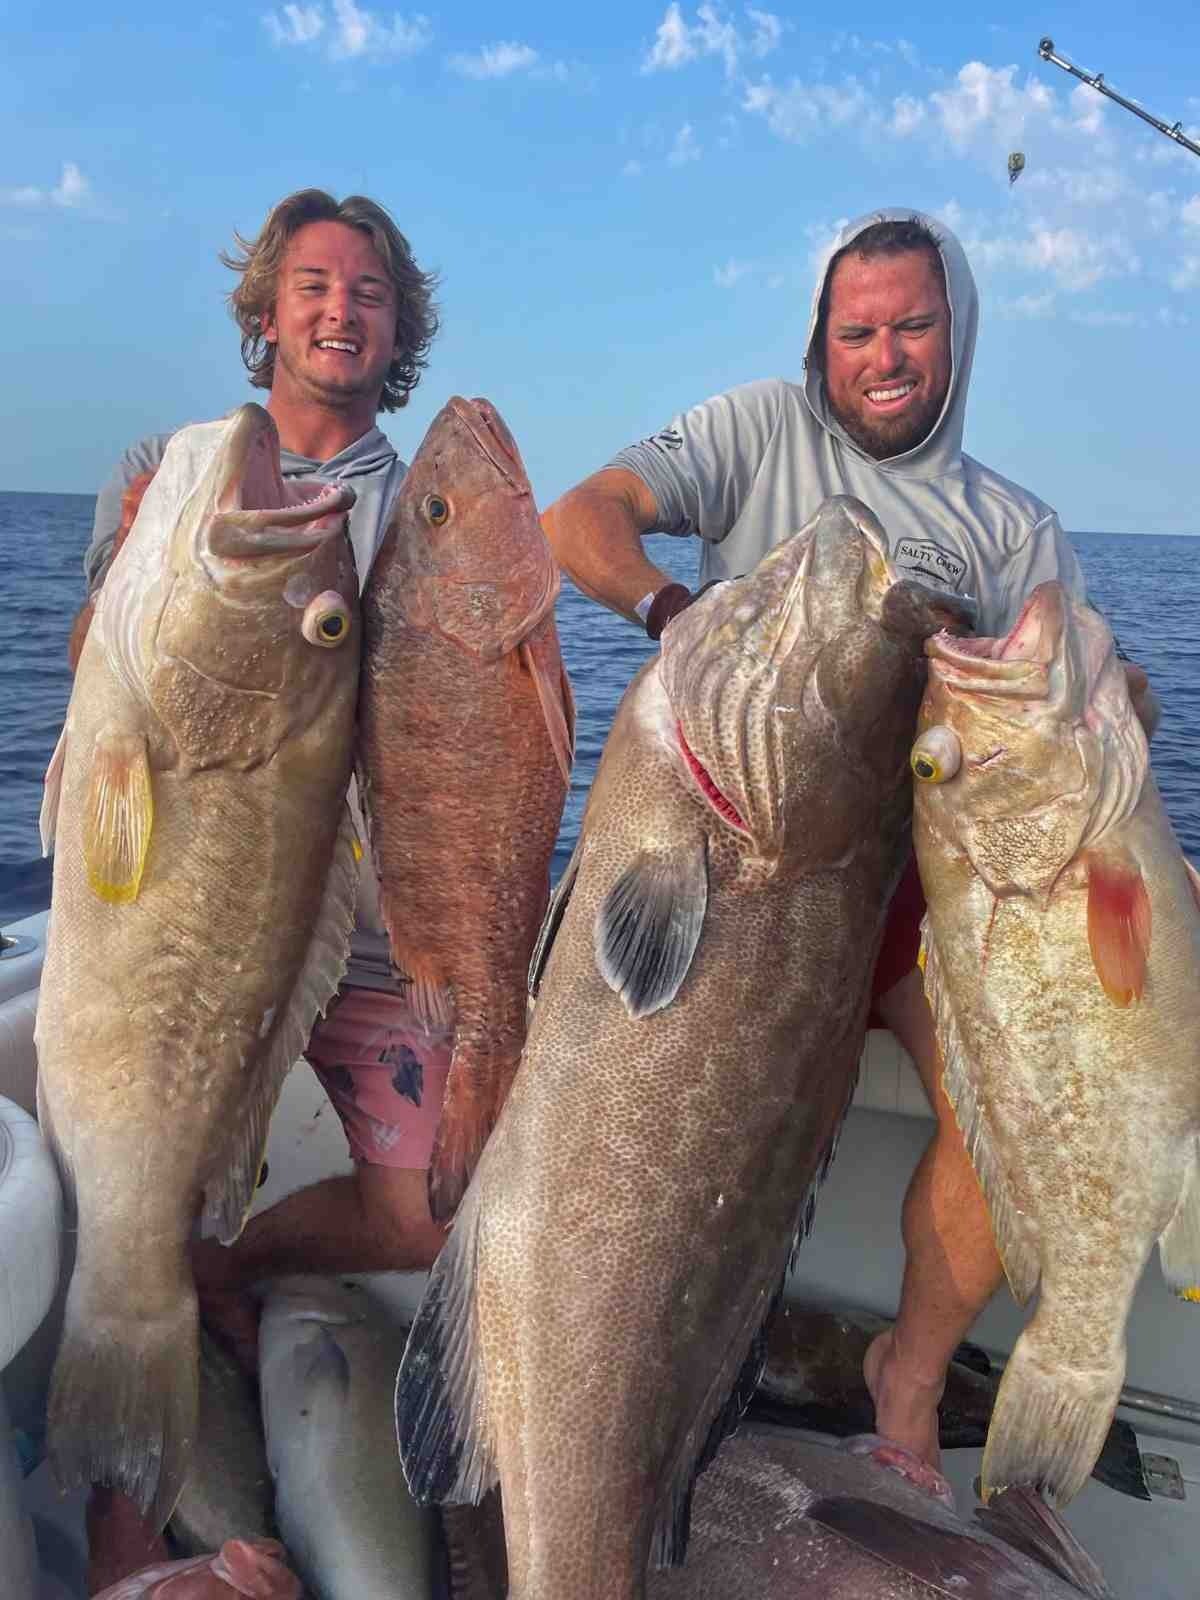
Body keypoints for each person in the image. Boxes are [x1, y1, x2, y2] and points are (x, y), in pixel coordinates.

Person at [541, 208, 1158, 1487]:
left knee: (1006, 1125)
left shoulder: (1012, 528)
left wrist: (1114, 712)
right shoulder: (755, 427)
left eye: (912, 326)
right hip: (731, 858)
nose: (883, 357)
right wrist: (674, 611)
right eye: (856, 331)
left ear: (957, 333)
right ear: (820, 339)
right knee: (622, 1113)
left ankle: (907, 1378)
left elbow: (1096, 704)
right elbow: (579, 518)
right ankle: (605, 1368)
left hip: (921, 896)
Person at [78, 188, 444, 1592]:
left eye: (369, 292)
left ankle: (232, 1267)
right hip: (200, 894)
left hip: (370, 922)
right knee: (133, 1200)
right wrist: (134, 565)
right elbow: (95, 671)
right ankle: (128, 1536)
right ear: (268, 310)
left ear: (397, 329)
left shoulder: (425, 514)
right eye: (314, 285)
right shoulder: (172, 470)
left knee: (425, 1213)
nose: (341, 309)